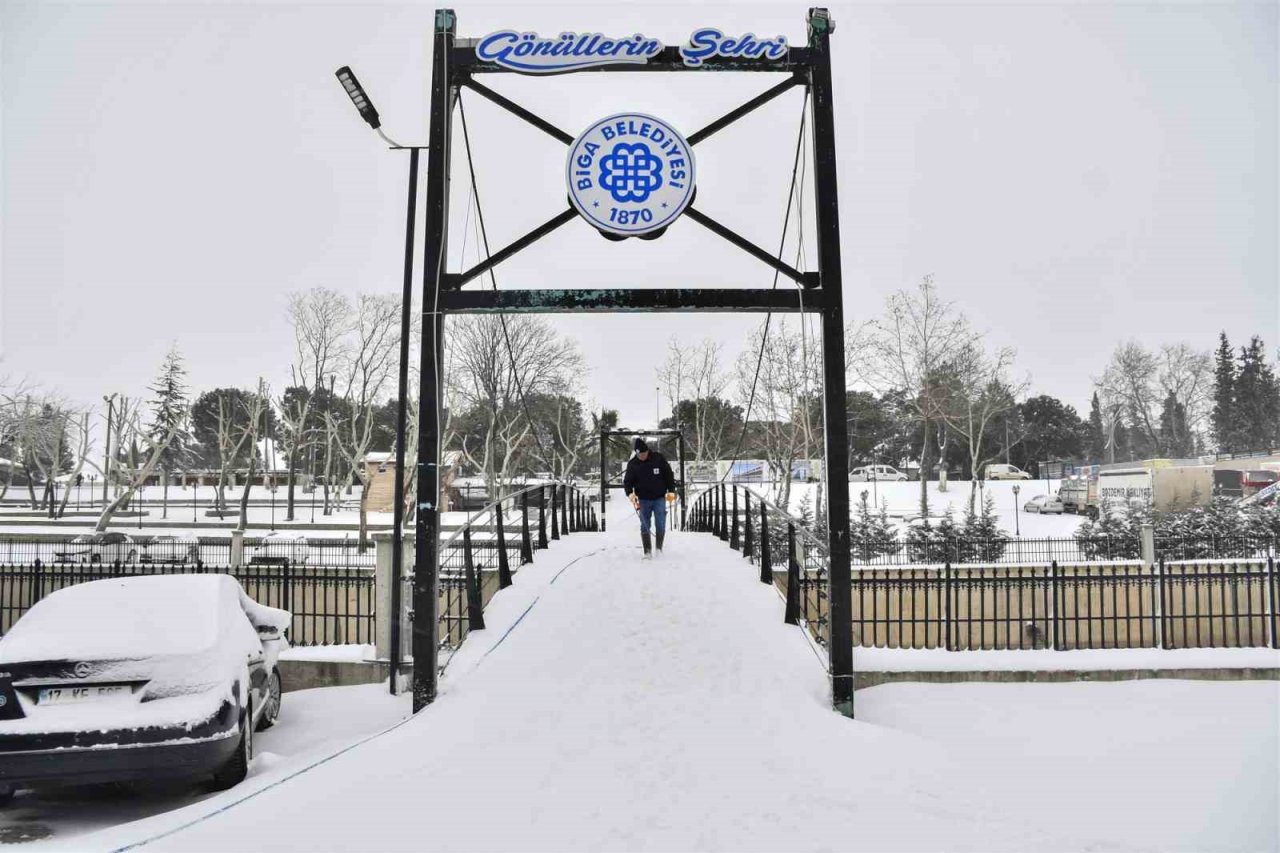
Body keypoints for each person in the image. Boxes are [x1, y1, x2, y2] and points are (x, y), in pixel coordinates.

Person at [622, 437, 676, 558]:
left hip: (659, 498)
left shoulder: (658, 458)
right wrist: (630, 493)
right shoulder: (633, 464)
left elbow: (668, 475)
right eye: (639, 455)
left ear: (647, 451)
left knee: (660, 523)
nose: (642, 456)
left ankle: (659, 549)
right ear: (636, 453)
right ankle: (647, 551)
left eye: (644, 454)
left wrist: (671, 491)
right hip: (643, 499)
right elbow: (627, 482)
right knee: (645, 525)